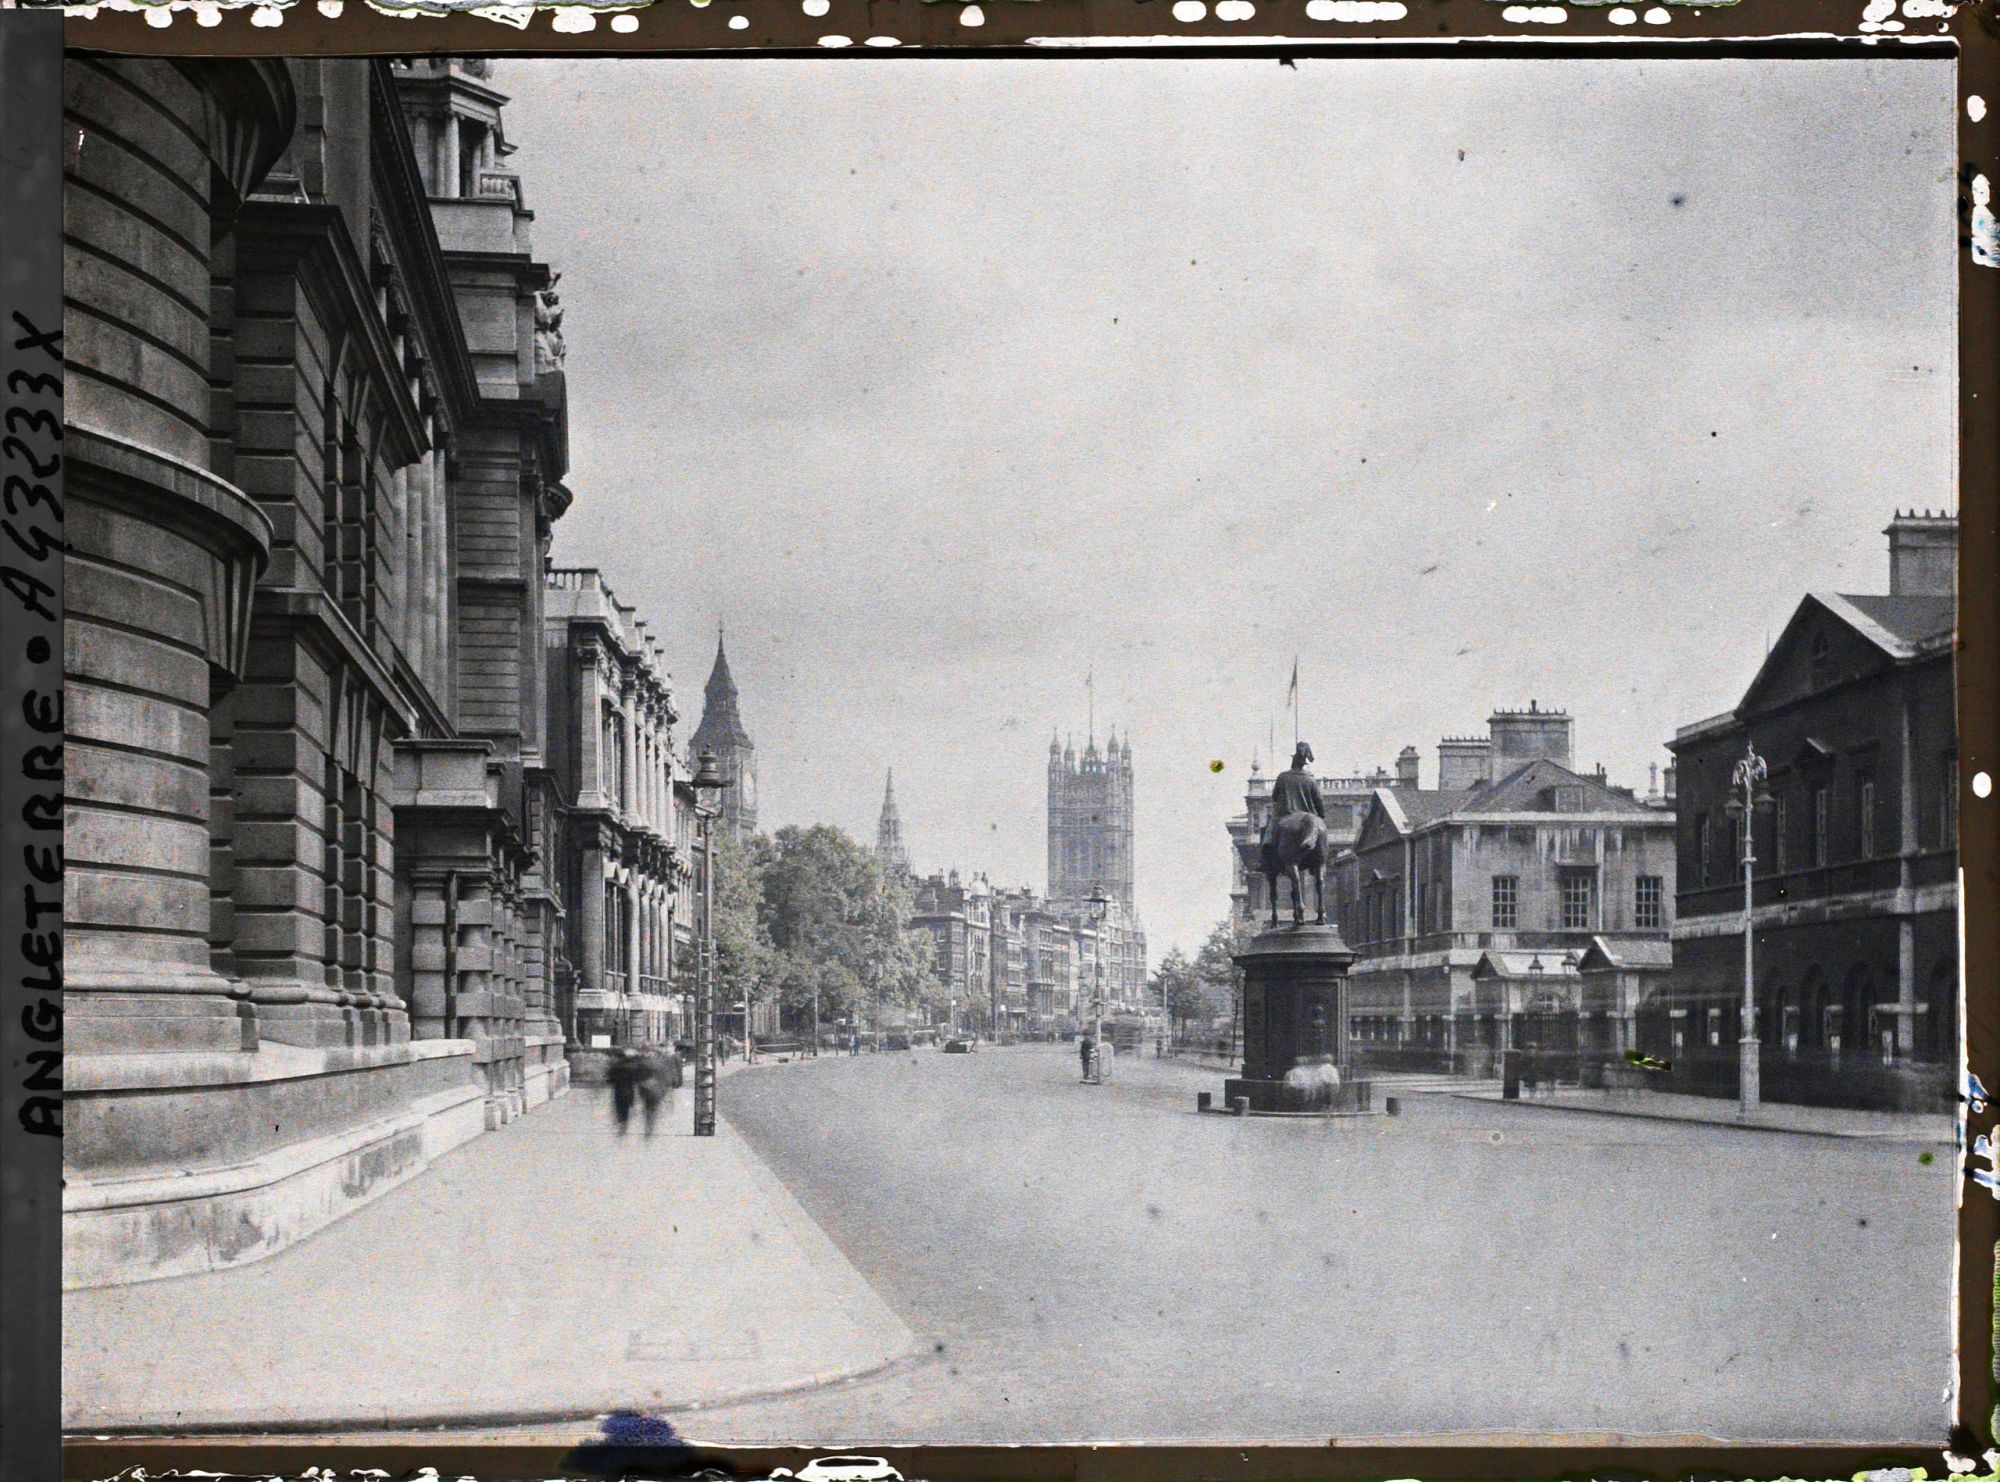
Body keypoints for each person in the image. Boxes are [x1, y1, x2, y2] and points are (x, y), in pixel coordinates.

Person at [607, 1046, 644, 1135]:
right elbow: (636, 1078)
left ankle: (621, 1124)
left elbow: (610, 1079)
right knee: (626, 1107)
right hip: (629, 1090)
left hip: (618, 1090)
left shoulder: (615, 1066)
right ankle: (624, 1124)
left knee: (619, 1107)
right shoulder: (631, 1066)